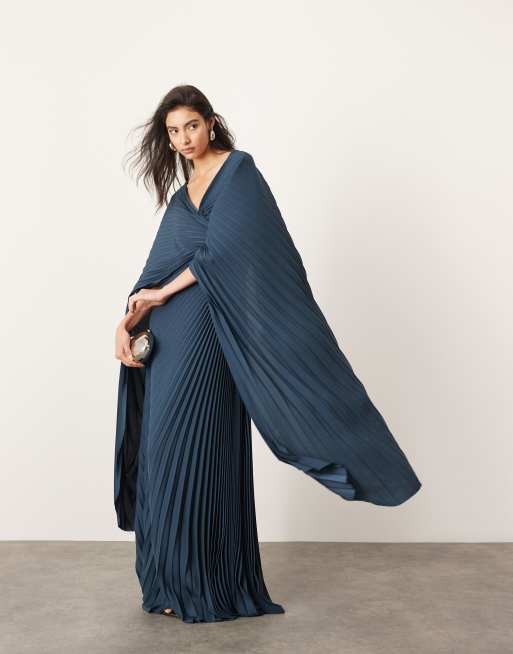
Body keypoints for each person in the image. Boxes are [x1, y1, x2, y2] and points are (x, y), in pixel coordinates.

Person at [114, 84, 422, 624]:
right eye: (173, 131)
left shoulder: (238, 172)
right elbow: (158, 266)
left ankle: (206, 587)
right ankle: (167, 582)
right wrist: (129, 316)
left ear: (211, 122)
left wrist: (163, 294)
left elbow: (228, 252)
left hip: (213, 334)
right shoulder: (184, 192)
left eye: (191, 126)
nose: (183, 139)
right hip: (170, 338)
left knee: (200, 449)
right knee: (161, 453)